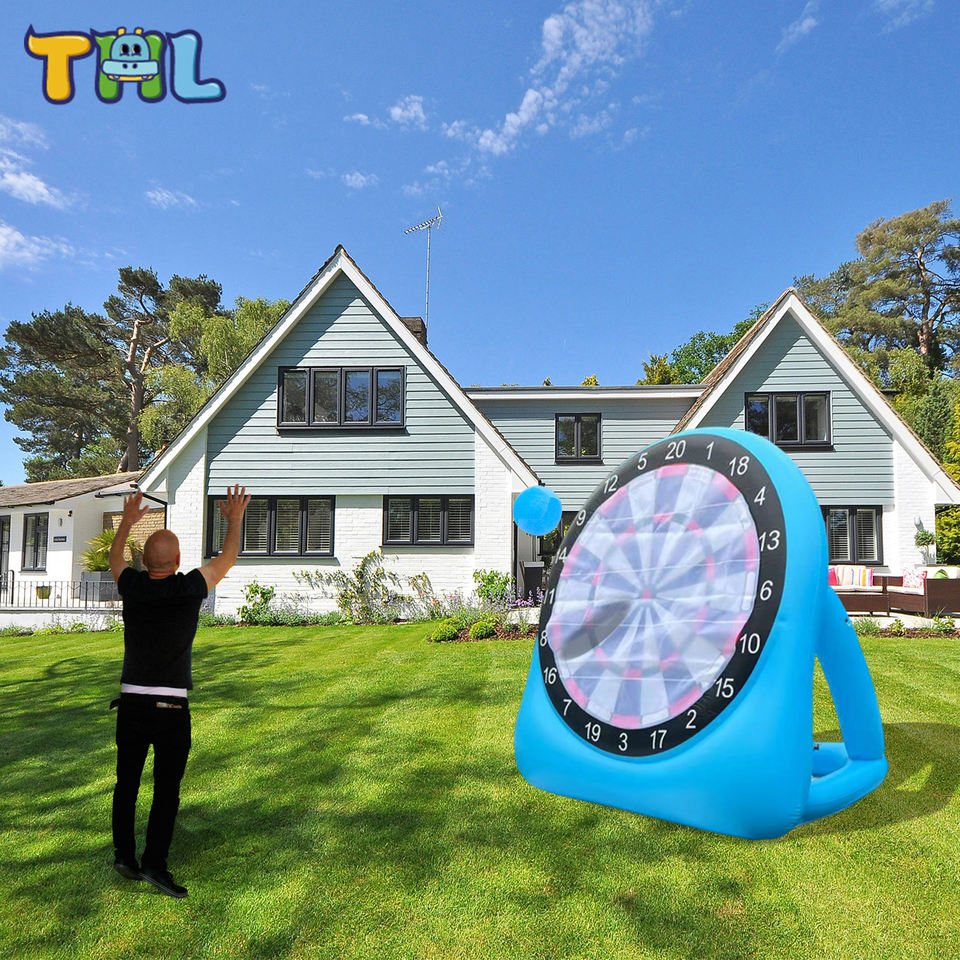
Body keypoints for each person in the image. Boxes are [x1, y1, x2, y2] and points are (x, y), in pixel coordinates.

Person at [109, 485, 249, 898]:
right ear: (178, 561)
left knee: (126, 784)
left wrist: (127, 523)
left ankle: (124, 856)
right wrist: (234, 519)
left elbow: (114, 558)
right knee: (166, 789)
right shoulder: (189, 587)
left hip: (131, 704)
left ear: (144, 561)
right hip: (171, 708)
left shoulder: (132, 586)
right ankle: (154, 864)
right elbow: (227, 559)